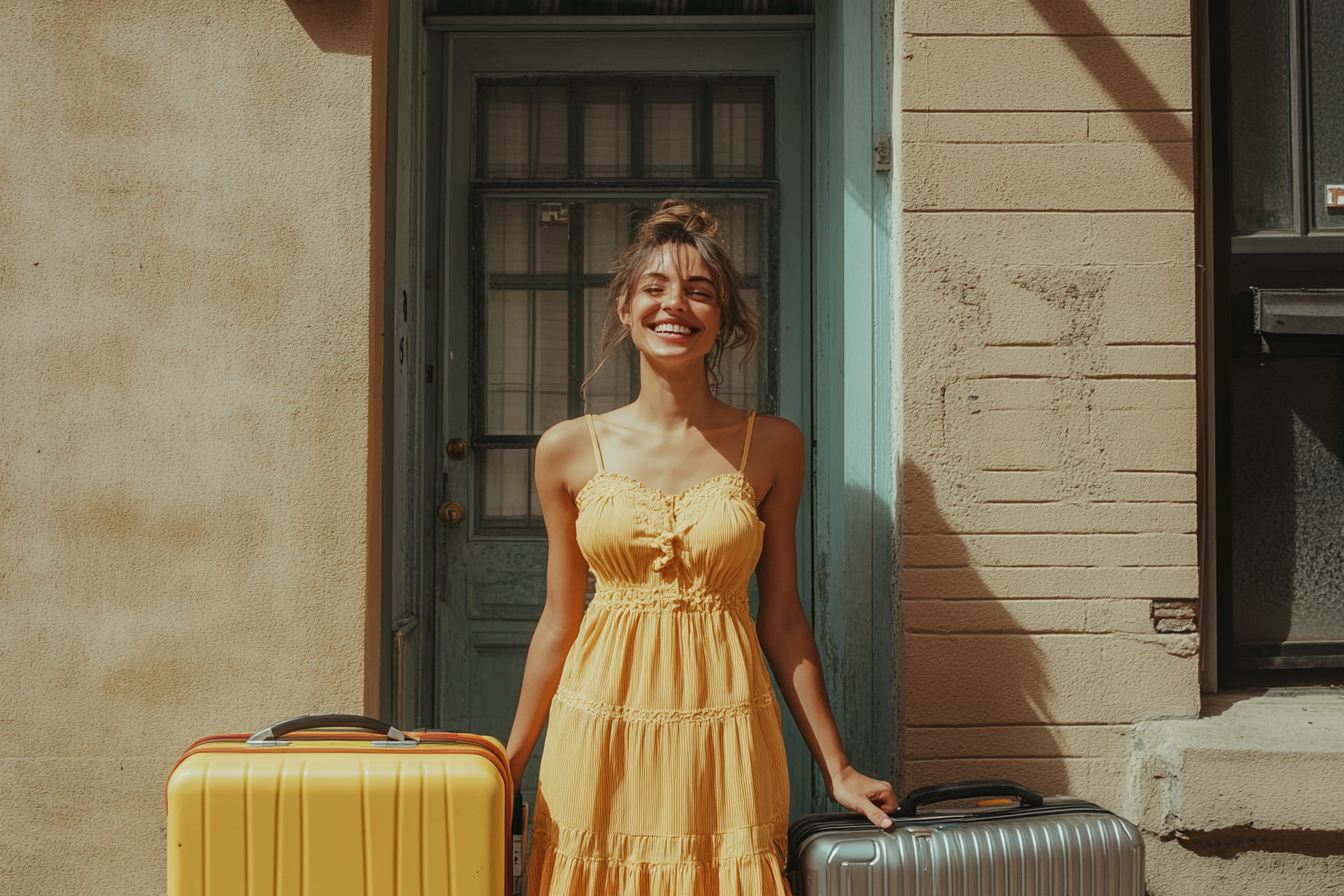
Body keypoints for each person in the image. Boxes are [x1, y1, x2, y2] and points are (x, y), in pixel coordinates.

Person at [506, 199, 896, 894]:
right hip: (601, 725)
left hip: (725, 730)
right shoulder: (566, 448)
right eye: (654, 288)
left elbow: (780, 618)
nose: (674, 305)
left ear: (722, 319)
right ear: (625, 308)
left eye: (699, 291)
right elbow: (560, 619)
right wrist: (507, 763)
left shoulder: (773, 446)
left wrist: (837, 768)